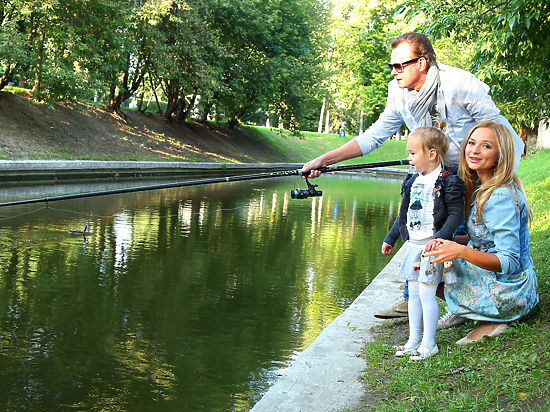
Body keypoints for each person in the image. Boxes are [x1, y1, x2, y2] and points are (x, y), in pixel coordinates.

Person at [300, 32, 525, 322]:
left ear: (423, 62)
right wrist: (324, 159)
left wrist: (496, 180)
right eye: (391, 66)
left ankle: (480, 300)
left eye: (400, 65)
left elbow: (497, 132)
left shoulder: (460, 85)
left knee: (480, 236)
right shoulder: (398, 93)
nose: (394, 73)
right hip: (436, 171)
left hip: (482, 166)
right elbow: (374, 136)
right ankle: (414, 297)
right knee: (421, 227)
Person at [423, 121, 538, 344]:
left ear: (500, 156)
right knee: (425, 263)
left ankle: (494, 317)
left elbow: (510, 261)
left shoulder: (500, 197)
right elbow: (484, 237)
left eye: (486, 146)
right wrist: (448, 242)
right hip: (497, 276)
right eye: (472, 143)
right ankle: (471, 310)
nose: (474, 150)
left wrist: (459, 251)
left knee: (431, 274)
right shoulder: (484, 187)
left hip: (511, 288)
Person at [382, 124, 464, 360]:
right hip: (414, 246)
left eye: (412, 153)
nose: (408, 158)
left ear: (431, 154)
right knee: (414, 294)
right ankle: (413, 340)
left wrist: (440, 239)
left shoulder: (447, 181)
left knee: (428, 294)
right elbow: (403, 214)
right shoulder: (412, 181)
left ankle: (430, 343)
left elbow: (455, 214)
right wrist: (391, 238)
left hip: (431, 247)